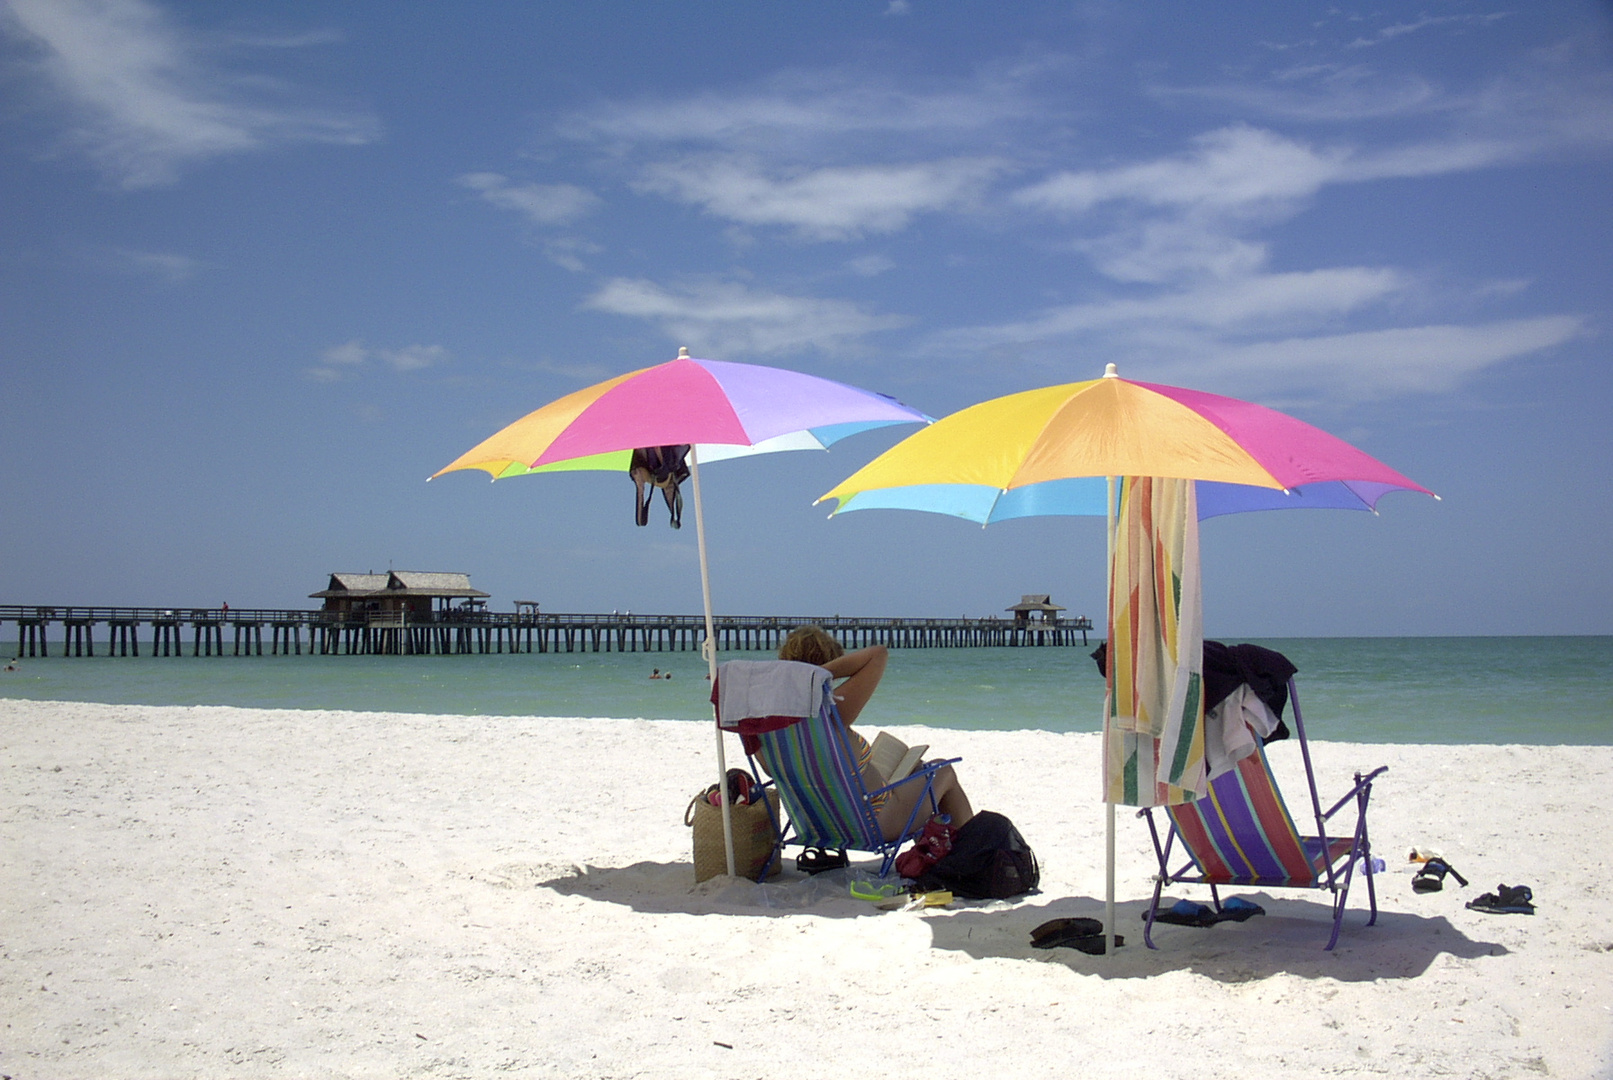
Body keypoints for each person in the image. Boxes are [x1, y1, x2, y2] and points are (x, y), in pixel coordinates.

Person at [775, 625, 973, 840]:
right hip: (871, 824)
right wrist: (813, 677)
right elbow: (878, 654)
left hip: (816, 825)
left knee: (917, 768)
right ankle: (972, 852)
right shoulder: (828, 716)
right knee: (943, 771)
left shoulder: (772, 726)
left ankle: (941, 851)